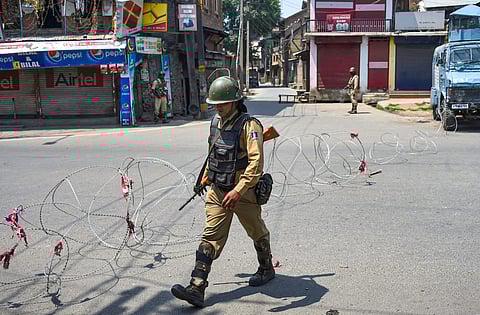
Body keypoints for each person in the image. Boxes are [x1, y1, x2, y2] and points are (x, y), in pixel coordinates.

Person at [171, 76, 275, 307]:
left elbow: (255, 164)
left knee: (256, 231)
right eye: (215, 104)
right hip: (218, 190)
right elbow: (213, 153)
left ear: (235, 102)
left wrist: (238, 190)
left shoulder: (250, 126)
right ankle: (196, 287)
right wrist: (206, 176)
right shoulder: (215, 123)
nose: (218, 108)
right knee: (210, 237)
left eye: (223, 104)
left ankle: (266, 268)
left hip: (243, 191)